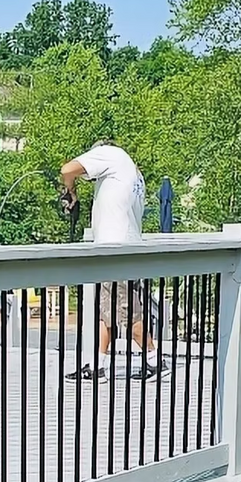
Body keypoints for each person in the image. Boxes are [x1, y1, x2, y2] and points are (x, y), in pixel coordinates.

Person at [60, 141, 156, 379]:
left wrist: (70, 190)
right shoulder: (133, 173)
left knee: (128, 313)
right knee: (109, 313)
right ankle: (97, 366)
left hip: (115, 251)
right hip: (125, 249)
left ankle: (155, 362)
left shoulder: (111, 154)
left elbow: (67, 169)